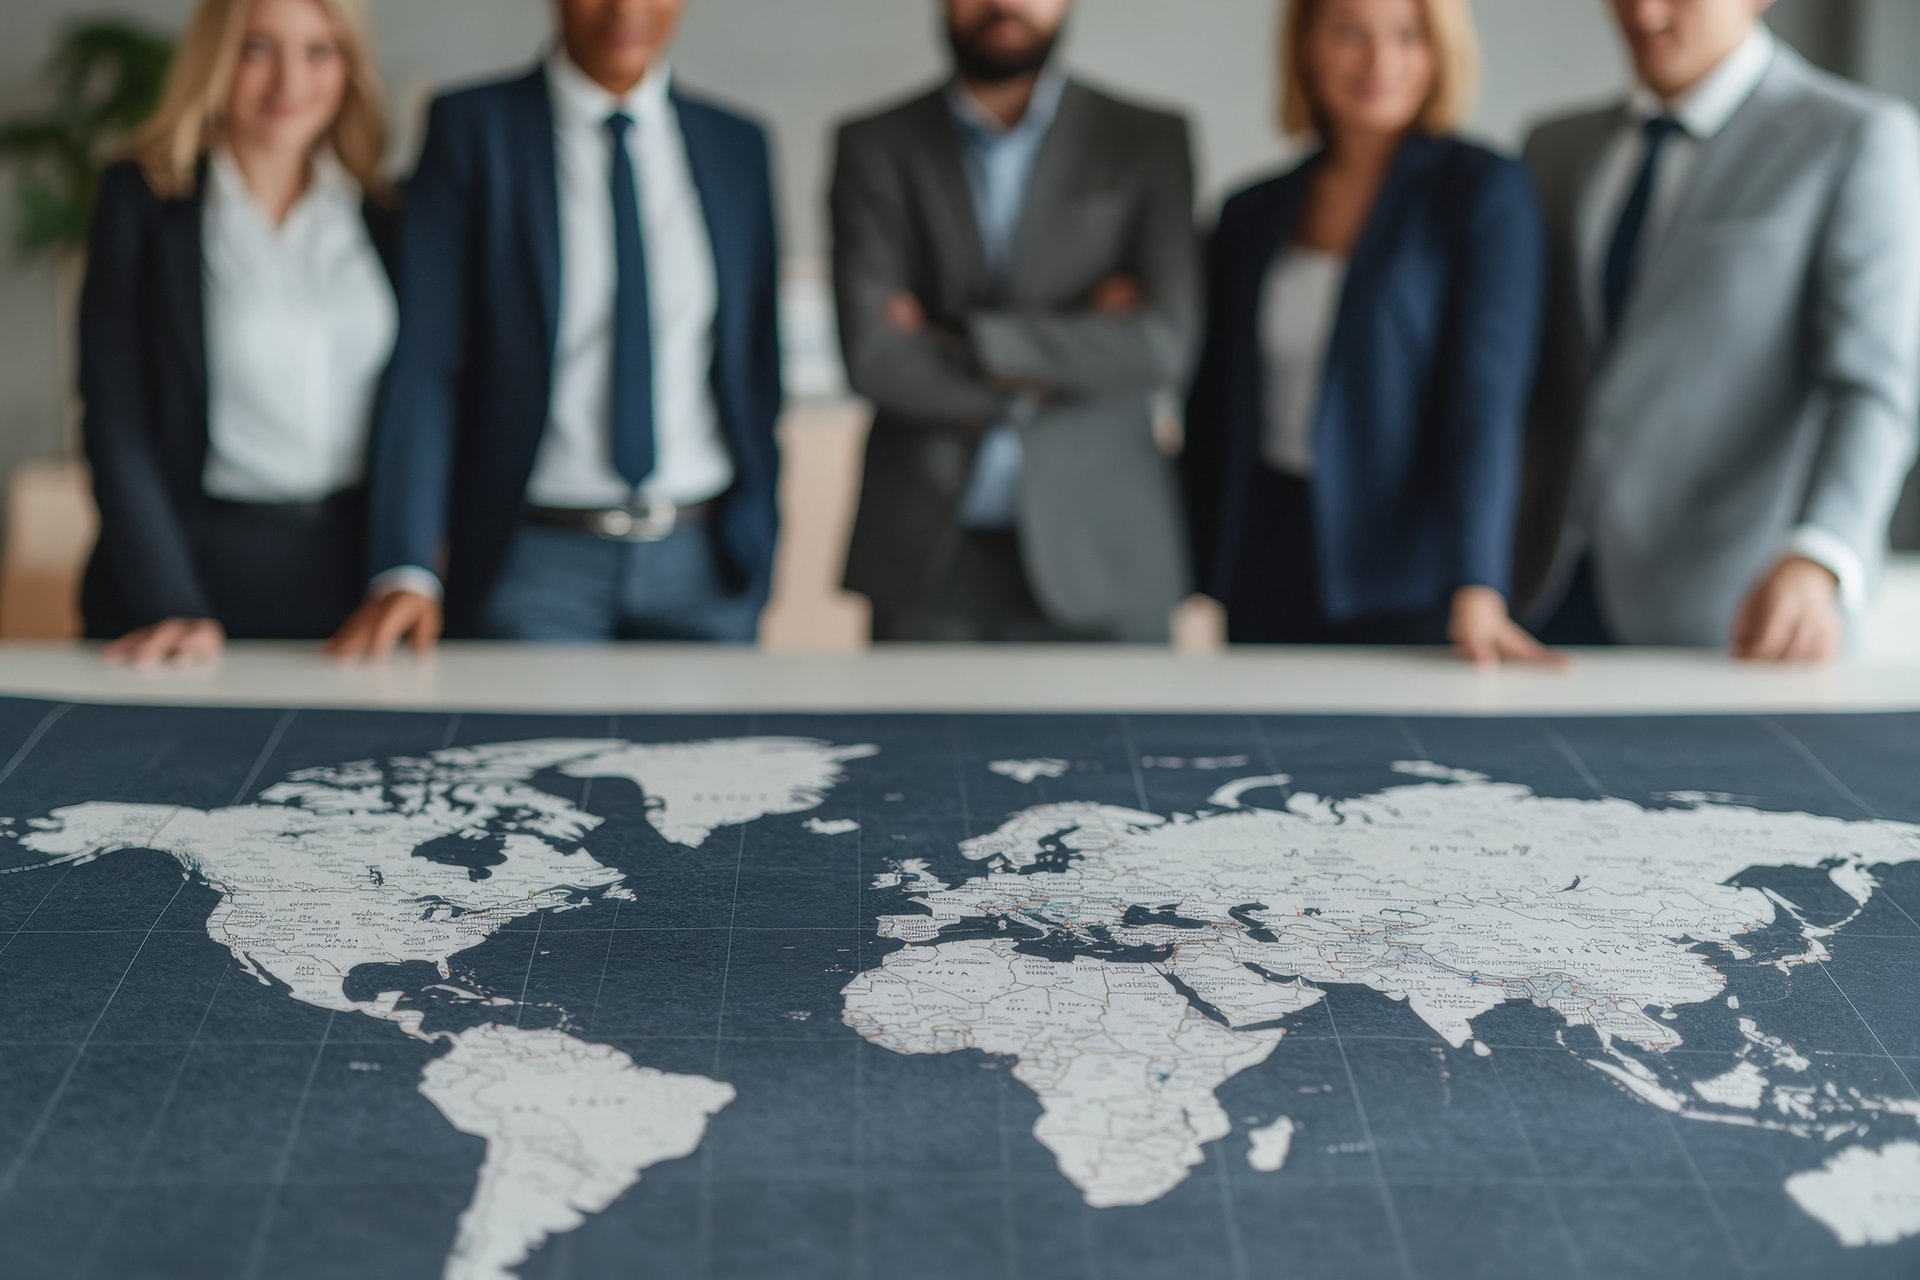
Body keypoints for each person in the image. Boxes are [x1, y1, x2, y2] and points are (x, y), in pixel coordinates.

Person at [327, 0, 781, 656]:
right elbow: (427, 365)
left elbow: (757, 369)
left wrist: (763, 543)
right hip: (534, 563)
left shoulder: (737, 144)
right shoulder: (473, 130)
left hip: (705, 561)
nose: (626, 8)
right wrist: (406, 563)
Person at [1518, 0, 1920, 661]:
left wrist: (1820, 554)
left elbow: (1872, 385)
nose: (1644, 13)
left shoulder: (1854, 136)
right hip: (1542, 598)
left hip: (1738, 614)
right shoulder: (1555, 147)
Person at [1184, 0, 1553, 663]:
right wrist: (1193, 575)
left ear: (1441, 51)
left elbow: (1485, 400)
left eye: (1409, 37)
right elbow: (1212, 407)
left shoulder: (1483, 192)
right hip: (1265, 562)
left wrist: (1478, 580)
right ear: (1307, 47)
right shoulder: (1249, 213)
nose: (1381, 62)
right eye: (1350, 34)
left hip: (1411, 575)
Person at [832, 0, 1199, 644]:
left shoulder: (1147, 139)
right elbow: (875, 357)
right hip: (928, 557)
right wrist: (1076, 344)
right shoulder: (875, 143)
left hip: (1106, 549)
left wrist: (960, 340)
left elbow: (1159, 345)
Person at [78, 0, 396, 664]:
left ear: (350, 65)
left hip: (351, 588)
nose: (290, 82)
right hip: (185, 575)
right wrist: (170, 600)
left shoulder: (387, 212)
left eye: (319, 50)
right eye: (258, 48)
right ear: (216, 58)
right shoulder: (142, 200)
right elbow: (117, 420)